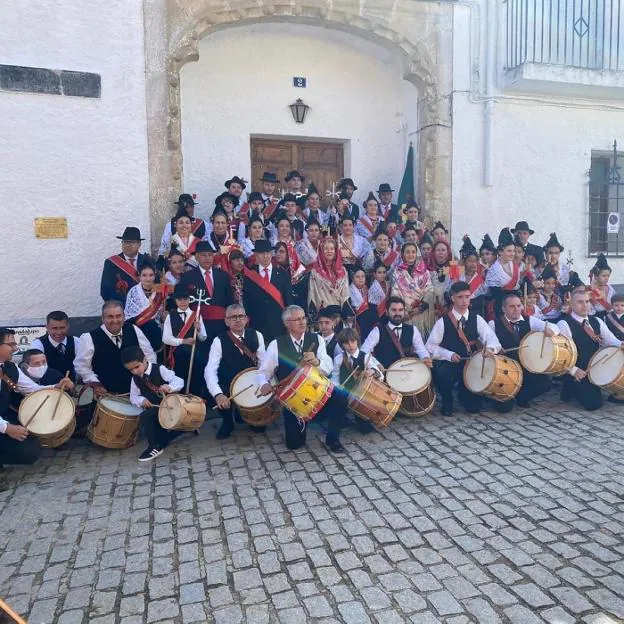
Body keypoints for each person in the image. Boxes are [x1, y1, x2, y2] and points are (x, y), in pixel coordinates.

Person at [257, 305, 346, 452]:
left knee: (341, 397)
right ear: (287, 323)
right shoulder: (276, 344)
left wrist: (317, 362)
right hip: (294, 400)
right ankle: (302, 425)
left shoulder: (317, 339)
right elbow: (264, 372)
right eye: (297, 319)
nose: (302, 322)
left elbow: (328, 367)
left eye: (303, 318)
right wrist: (263, 384)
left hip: (318, 391)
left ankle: (333, 439)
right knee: (294, 444)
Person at [426, 281, 501, 416]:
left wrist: (489, 349)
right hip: (451, 363)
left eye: (467, 296)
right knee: (442, 374)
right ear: (453, 298)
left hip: (471, 363)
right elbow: (430, 346)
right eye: (460, 297)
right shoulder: (442, 322)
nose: (464, 301)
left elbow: (493, 340)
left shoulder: (477, 319)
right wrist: (448, 354)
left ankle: (464, 393)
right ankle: (447, 400)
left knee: (473, 408)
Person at [0, 328, 72, 465]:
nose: (15, 348)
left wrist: (56, 386)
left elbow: (32, 390)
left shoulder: (10, 368)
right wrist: (7, 428)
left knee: (30, 449)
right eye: (10, 344)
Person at [205, 304, 267, 439]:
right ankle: (227, 422)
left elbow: (264, 364)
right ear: (226, 321)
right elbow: (210, 370)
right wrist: (218, 394)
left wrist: (264, 383)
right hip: (229, 384)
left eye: (241, 316)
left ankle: (247, 414)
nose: (238, 320)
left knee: (259, 429)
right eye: (233, 317)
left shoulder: (257, 335)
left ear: (246, 319)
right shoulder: (218, 341)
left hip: (252, 383)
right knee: (215, 388)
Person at [489, 293, 559, 413]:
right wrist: (495, 349)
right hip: (505, 369)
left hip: (526, 365)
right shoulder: (493, 324)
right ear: (503, 308)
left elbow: (554, 326)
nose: (516, 309)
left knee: (546, 383)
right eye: (512, 306)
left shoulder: (530, 320)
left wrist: (551, 330)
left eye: (518, 305)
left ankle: (522, 397)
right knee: (505, 409)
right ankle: (500, 398)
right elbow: (488, 343)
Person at [557, 290, 624, 410]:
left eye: (587, 301)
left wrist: (621, 344)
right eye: (580, 302)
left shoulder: (596, 321)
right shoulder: (564, 324)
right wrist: (574, 371)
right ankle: (571, 388)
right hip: (579, 371)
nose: (585, 305)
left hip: (597, 366)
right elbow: (561, 356)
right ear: (572, 304)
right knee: (593, 404)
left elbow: (611, 341)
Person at [75, 301, 156, 396]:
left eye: (118, 316)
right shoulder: (89, 338)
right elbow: (81, 366)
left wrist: (148, 376)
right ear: (102, 318)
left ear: (124, 317)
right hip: (108, 397)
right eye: (110, 317)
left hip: (138, 394)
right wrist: (96, 383)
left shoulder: (133, 330)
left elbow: (149, 355)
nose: (115, 320)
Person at [123, 346, 185, 462]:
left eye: (137, 367)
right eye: (131, 370)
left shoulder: (160, 369)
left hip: (171, 405)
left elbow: (179, 381)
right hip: (155, 407)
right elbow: (133, 397)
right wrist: (142, 400)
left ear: (145, 359)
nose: (135, 371)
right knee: (147, 415)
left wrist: (170, 387)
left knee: (146, 417)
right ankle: (180, 431)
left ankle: (155, 446)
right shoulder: (135, 379)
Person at [179, 240, 234, 343]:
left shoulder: (223, 276)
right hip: (199, 325)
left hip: (221, 325)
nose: (207, 258)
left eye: (210, 255)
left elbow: (230, 300)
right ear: (196, 257)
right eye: (203, 255)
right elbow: (183, 302)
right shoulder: (187, 277)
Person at [332, 327, 385, 435]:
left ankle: (359, 417)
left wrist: (372, 372)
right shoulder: (338, 359)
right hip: (346, 394)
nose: (350, 345)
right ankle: (344, 417)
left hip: (362, 397)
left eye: (353, 341)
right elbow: (334, 379)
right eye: (346, 343)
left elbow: (381, 376)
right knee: (341, 421)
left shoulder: (365, 357)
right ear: (342, 345)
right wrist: (338, 387)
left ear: (357, 341)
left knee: (366, 429)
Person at [361, 296, 431, 371]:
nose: (397, 313)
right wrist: (375, 364)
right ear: (387, 312)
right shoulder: (377, 331)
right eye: (394, 310)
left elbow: (421, 350)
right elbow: (364, 351)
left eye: (400, 310)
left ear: (404, 311)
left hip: (408, 375)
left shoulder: (413, 330)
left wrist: (425, 357)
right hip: (385, 377)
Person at [243, 239, 293, 342]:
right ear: (256, 255)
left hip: (278, 325)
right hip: (256, 324)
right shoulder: (249, 275)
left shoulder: (282, 274)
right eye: (261, 253)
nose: (265, 256)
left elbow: (288, 299)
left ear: (271, 254)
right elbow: (246, 300)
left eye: (268, 253)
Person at [162, 285, 207, 395]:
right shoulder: (170, 316)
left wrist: (199, 329)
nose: (183, 302)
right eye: (179, 299)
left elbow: (203, 337)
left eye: (185, 299)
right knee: (179, 382)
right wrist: (183, 341)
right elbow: (166, 338)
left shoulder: (196, 315)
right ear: (175, 300)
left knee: (194, 382)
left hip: (194, 355)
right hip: (178, 356)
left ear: (189, 299)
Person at [391, 242, 435, 337]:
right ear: (402, 254)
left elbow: (430, 290)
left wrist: (420, 308)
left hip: (421, 313)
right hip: (406, 313)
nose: (411, 255)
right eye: (407, 252)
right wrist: (402, 311)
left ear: (417, 254)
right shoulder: (397, 272)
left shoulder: (424, 271)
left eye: (413, 252)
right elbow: (395, 293)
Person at [100, 227, 149, 305]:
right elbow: (106, 291)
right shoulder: (111, 263)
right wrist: (124, 305)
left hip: (145, 308)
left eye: (132, 242)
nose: (128, 245)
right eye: (125, 242)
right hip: (121, 309)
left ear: (139, 244)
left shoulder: (147, 261)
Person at [124, 263, 166, 352]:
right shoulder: (133, 292)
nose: (148, 278)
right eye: (144, 275)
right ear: (139, 276)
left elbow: (162, 312)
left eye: (151, 275)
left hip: (156, 330)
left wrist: (163, 315)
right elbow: (129, 315)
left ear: (155, 275)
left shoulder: (160, 291)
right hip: (138, 328)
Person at [32, 310, 80, 382]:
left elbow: (82, 365)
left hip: (70, 387)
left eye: (62, 328)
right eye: (54, 328)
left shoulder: (76, 341)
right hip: (47, 388)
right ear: (47, 327)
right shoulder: (38, 344)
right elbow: (36, 370)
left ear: (68, 326)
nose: (59, 332)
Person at [445, 236, 487, 317]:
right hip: (455, 311)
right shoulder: (455, 275)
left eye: (475, 261)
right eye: (470, 261)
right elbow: (446, 293)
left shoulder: (481, 278)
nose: (473, 264)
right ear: (464, 262)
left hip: (474, 313)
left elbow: (483, 297)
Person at [486, 227, 523, 316]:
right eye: (509, 251)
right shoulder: (494, 271)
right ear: (500, 252)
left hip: (515, 305)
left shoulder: (515, 266)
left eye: (513, 251)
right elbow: (494, 293)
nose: (513, 254)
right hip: (500, 307)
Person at [308, 237, 350, 314]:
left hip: (338, 312)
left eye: (332, 248)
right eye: (326, 249)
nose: (329, 251)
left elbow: (346, 293)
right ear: (321, 251)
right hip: (323, 311)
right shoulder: (315, 272)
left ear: (335, 251)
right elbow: (313, 293)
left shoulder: (343, 271)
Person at [157, 194, 205, 258]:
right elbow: (165, 246)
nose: (188, 210)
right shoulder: (170, 225)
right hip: (176, 261)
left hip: (195, 261)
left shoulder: (201, 224)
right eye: (185, 207)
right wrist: (164, 259)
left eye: (191, 206)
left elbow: (205, 245)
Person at [348, 268, 377, 342]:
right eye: (357, 277)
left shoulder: (367, 288)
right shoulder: (349, 290)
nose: (360, 279)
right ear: (352, 278)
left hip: (368, 321)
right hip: (356, 320)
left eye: (363, 276)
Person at [588, 253, 614, 319]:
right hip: (595, 317)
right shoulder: (590, 290)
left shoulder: (610, 288)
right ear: (596, 276)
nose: (606, 278)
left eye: (608, 276)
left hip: (609, 317)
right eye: (604, 276)